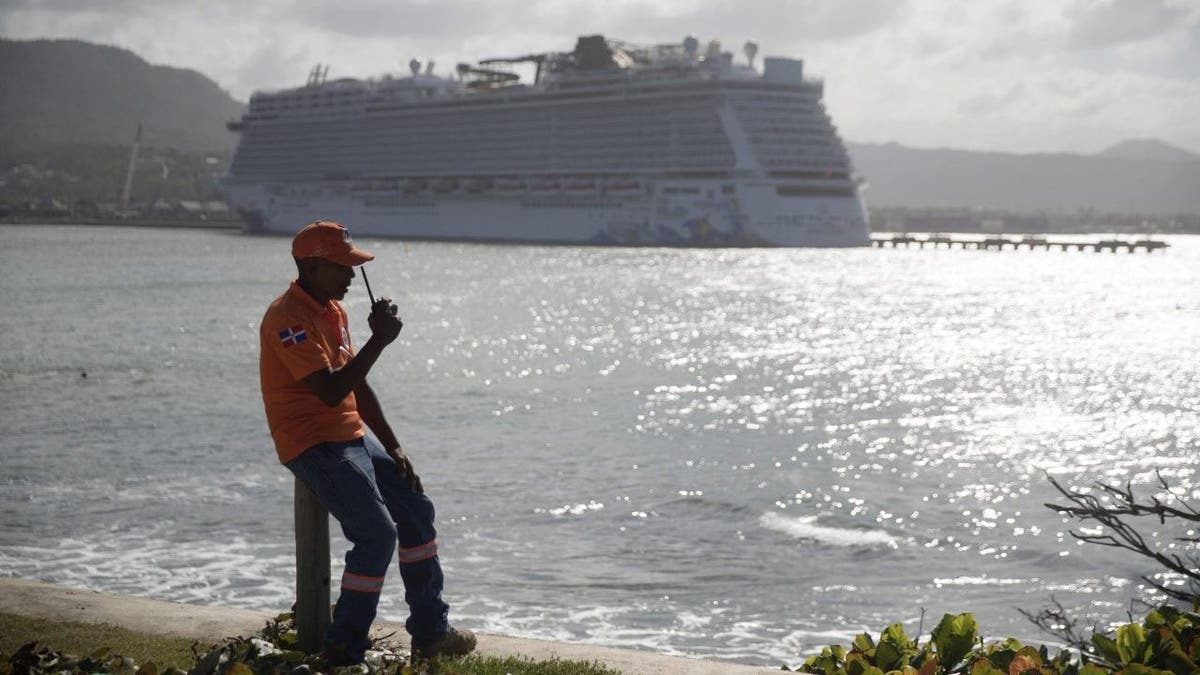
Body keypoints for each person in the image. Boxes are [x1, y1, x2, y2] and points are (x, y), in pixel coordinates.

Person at [258, 220, 476, 664]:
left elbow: (354, 385)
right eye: (342, 267)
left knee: (416, 509)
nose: (352, 276)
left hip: (349, 435)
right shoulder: (287, 319)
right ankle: (344, 649)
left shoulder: (332, 309)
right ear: (313, 266)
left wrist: (394, 447)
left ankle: (432, 633)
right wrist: (379, 340)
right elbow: (332, 390)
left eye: (352, 267)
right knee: (376, 535)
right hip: (312, 442)